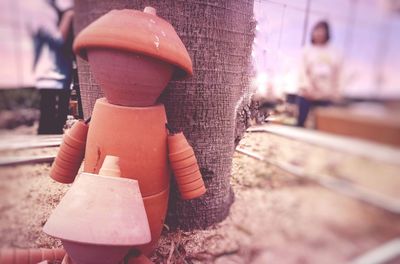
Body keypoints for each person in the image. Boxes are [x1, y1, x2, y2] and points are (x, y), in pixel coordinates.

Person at [31, 0, 74, 134]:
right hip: (49, 75)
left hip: (62, 74)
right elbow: (58, 39)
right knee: (48, 123)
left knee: (59, 120)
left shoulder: (57, 15)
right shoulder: (44, 16)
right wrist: (68, 15)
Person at [297, 20, 341, 127]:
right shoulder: (306, 51)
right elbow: (302, 71)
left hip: (326, 94)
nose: (319, 34)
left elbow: (336, 74)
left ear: (327, 34)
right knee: (301, 123)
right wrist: (308, 88)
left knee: (322, 126)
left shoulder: (334, 53)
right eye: (317, 31)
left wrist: (333, 93)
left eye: (322, 31)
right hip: (308, 92)